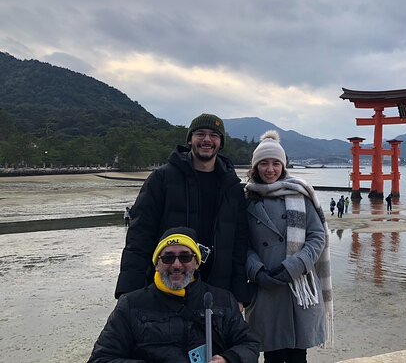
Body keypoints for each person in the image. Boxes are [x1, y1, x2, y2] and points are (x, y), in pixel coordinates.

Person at [114, 113, 250, 308]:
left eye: (214, 135)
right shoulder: (162, 179)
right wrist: (128, 291)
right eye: (200, 134)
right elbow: (139, 236)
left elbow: (239, 244)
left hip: (218, 287)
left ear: (220, 143)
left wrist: (239, 294)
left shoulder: (233, 187)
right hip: (169, 284)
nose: (206, 140)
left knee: (214, 339)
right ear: (189, 140)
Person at [89, 227, 260, 363]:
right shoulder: (131, 305)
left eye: (185, 257)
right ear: (157, 264)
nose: (176, 265)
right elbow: (101, 358)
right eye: (168, 258)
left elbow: (249, 344)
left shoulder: (223, 300)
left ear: (196, 263)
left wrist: (227, 359)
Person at [245, 131, 334, 363]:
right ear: (255, 167)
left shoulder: (300, 194)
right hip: (265, 285)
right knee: (272, 353)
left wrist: (294, 266)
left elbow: (317, 236)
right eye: (264, 163)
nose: (270, 169)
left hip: (298, 283)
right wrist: (256, 270)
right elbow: (241, 243)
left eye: (276, 163)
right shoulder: (246, 199)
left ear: (283, 166)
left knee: (297, 353)